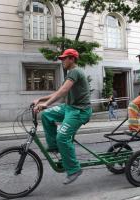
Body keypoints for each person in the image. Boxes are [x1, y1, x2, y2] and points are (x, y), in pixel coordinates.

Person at [32, 49, 92, 185]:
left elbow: (64, 91)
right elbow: (59, 92)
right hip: (69, 108)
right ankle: (55, 147)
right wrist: (40, 100)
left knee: (63, 137)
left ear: (72, 59)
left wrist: (45, 104)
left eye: (64, 58)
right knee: (47, 115)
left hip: (80, 111)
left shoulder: (76, 71)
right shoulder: (70, 73)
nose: (62, 61)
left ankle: (74, 169)